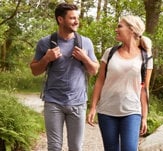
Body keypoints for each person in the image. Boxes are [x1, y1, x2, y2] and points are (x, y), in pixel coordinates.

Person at [30, 2, 99, 151]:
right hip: (53, 102)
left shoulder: (85, 42)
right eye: (72, 18)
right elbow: (34, 70)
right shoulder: (45, 42)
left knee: (75, 147)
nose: (77, 21)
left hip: (78, 103)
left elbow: (94, 70)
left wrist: (85, 58)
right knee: (54, 147)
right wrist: (46, 58)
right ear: (60, 20)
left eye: (77, 18)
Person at [87, 15, 153, 151]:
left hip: (132, 111)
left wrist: (144, 117)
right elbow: (100, 81)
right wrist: (93, 107)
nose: (116, 29)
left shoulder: (146, 57)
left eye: (119, 26)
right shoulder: (110, 53)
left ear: (132, 30)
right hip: (107, 111)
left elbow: (144, 89)